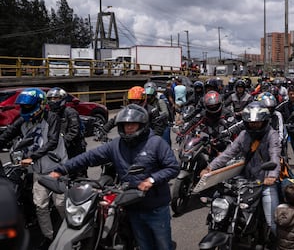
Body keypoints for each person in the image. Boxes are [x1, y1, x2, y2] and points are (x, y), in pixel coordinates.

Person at [49, 104, 180, 250]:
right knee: (144, 245)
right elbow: (89, 157)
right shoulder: (116, 144)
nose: (128, 128)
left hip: (155, 207)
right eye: (125, 125)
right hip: (131, 205)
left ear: (142, 124)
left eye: (132, 124)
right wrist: (61, 169)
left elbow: (173, 167)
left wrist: (151, 180)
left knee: (163, 245)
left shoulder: (156, 143)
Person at [0, 88, 67, 250]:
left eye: (28, 107)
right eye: (23, 107)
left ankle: (71, 231)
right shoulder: (23, 120)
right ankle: (49, 236)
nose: (25, 110)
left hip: (56, 167)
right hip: (38, 170)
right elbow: (7, 135)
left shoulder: (52, 118)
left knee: (60, 203)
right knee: (40, 205)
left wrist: (32, 157)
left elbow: (51, 142)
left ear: (41, 105)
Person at [200, 101, 281, 235]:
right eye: (251, 122)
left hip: (265, 181)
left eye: (257, 122)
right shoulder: (244, 135)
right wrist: (210, 168)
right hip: (246, 178)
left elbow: (275, 155)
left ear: (265, 121)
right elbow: (228, 153)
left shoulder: (272, 135)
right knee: (218, 197)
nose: (254, 125)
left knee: (273, 223)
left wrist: (272, 176)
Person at [46, 87, 87, 177]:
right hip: (59, 148)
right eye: (50, 99)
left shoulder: (70, 112)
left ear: (62, 99)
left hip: (74, 147)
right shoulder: (49, 114)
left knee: (78, 173)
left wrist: (61, 142)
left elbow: (74, 132)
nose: (52, 101)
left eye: (55, 98)